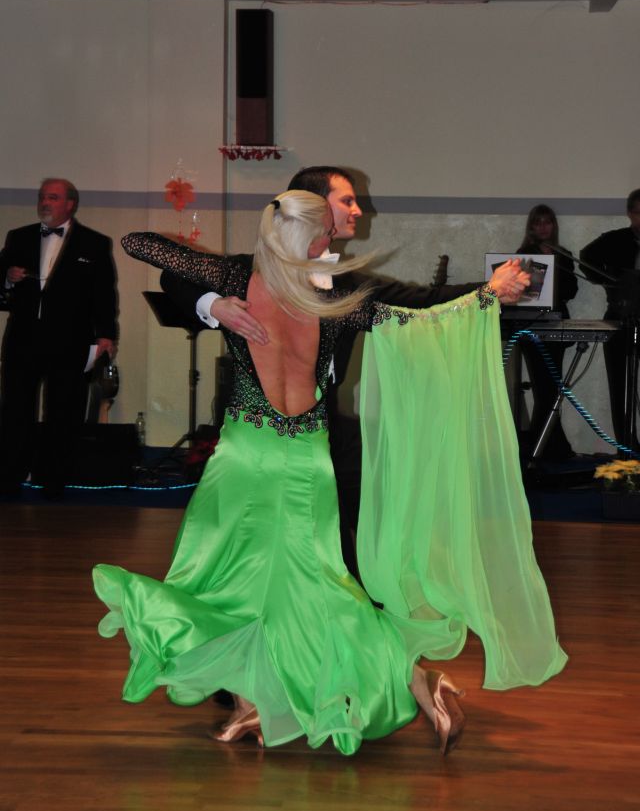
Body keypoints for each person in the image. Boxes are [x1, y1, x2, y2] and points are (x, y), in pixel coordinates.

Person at [93, 191, 566, 758]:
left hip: (246, 458)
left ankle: (285, 698)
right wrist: (487, 294)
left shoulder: (238, 277)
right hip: (308, 463)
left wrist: (219, 303)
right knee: (314, 588)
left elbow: (137, 242)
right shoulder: (341, 299)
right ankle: (370, 688)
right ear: (318, 237)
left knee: (221, 582)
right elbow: (426, 319)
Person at [161, 166, 481, 573]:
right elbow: (173, 275)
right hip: (259, 430)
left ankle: (362, 588)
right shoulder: (246, 272)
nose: (357, 210)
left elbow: (421, 299)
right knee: (269, 535)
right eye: (347, 201)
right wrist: (214, 305)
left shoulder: (346, 286)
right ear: (312, 208)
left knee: (360, 505)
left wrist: (488, 291)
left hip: (323, 421)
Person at [0, 178, 118, 499]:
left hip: (70, 341)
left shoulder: (94, 243)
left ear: (70, 204)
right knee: (16, 408)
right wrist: (8, 279)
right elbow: (0, 279)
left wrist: (107, 335)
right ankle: (11, 475)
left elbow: (104, 294)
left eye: (52, 197)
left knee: (63, 410)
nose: (44, 202)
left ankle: (53, 479)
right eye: (42, 197)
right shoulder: (19, 237)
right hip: (23, 339)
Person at [516, 204, 578, 460]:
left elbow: (571, 290)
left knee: (553, 389)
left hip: (556, 325)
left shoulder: (564, 255)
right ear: (531, 227)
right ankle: (547, 449)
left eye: (547, 222)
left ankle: (546, 448)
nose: (543, 227)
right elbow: (524, 293)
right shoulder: (524, 255)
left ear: (554, 226)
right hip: (532, 327)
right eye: (538, 222)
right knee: (544, 390)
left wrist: (554, 279)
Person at [580, 188, 640, 451]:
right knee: (620, 386)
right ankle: (627, 446)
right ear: (629, 214)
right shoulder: (615, 240)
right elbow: (585, 257)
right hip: (620, 317)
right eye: (639, 213)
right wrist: (607, 281)